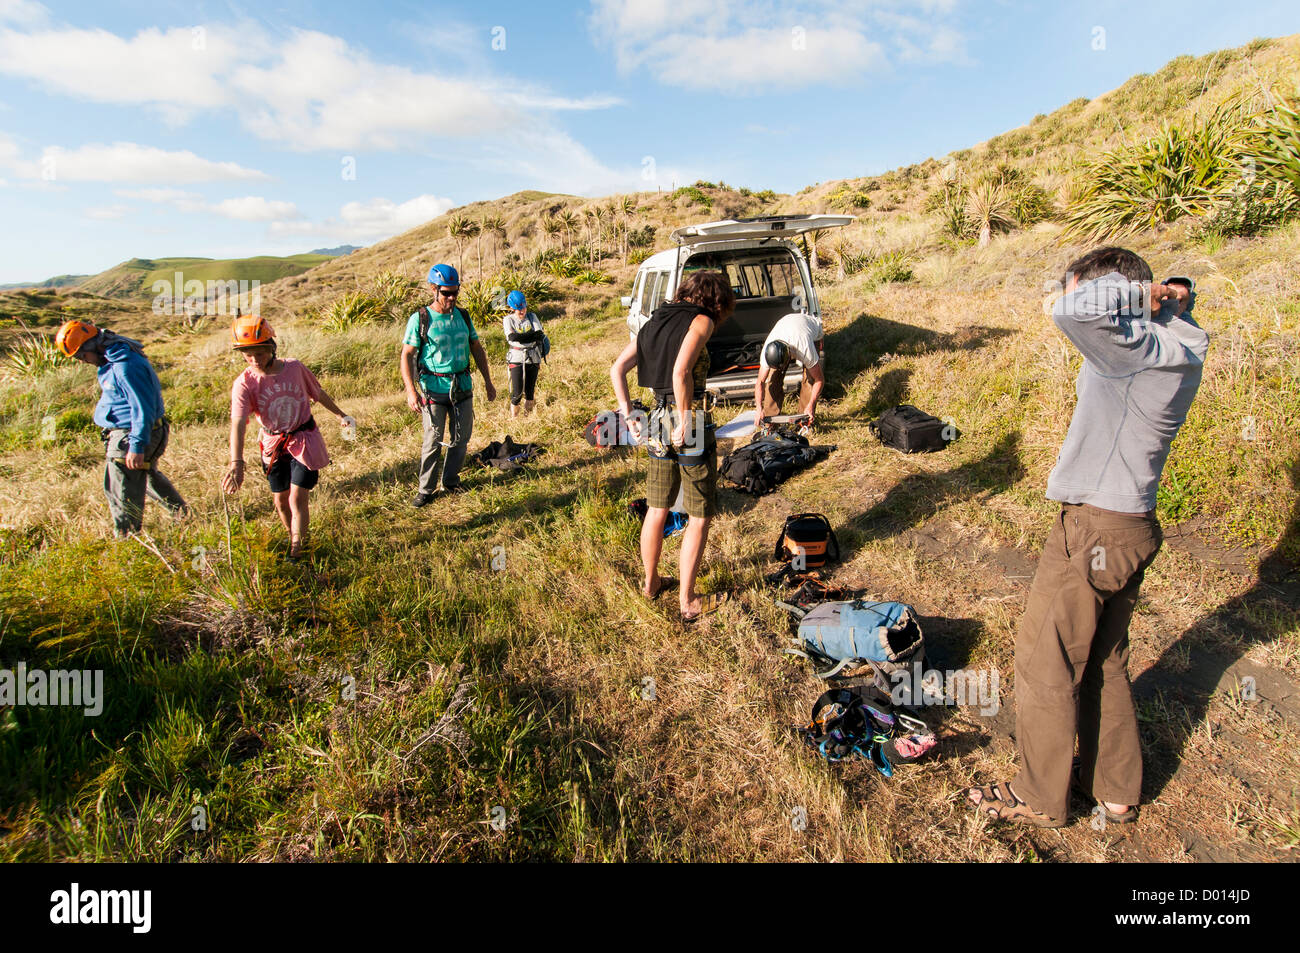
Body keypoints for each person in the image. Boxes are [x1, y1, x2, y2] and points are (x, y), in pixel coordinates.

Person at [968, 247, 1207, 827]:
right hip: (1129, 522)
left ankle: (1038, 795)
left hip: (1096, 525)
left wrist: (1137, 294)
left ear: (1120, 295)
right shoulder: (1180, 342)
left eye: (1084, 289)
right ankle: (1117, 790)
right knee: (1103, 658)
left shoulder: (1135, 349)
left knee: (1044, 659)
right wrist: (1172, 295)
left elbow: (1072, 312)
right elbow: (1164, 308)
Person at [610, 271, 737, 623]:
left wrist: (629, 414)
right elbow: (681, 373)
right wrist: (685, 419)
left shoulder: (657, 319)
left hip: (655, 421)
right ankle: (687, 600)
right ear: (716, 300)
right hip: (689, 422)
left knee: (657, 507)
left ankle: (650, 585)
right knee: (699, 515)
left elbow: (617, 368)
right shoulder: (702, 320)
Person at [220, 315, 353, 562]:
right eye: (247, 354)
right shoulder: (244, 384)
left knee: (296, 497)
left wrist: (340, 414)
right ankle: (297, 536)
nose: (254, 360)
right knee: (281, 502)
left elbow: (317, 392)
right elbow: (238, 423)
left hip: (304, 439)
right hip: (273, 447)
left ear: (271, 347)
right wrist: (236, 463)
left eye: (258, 352)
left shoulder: (294, 368)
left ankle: (297, 551)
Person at [55, 319, 188, 537]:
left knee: (120, 490)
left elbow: (142, 408)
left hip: (131, 435)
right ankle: (181, 514)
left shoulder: (125, 365)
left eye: (81, 356)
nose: (81, 361)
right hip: (132, 433)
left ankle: (128, 541)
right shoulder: (113, 360)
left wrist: (136, 445)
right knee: (146, 477)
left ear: (93, 347)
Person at [400, 264, 497, 507]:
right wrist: (411, 391)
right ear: (433, 290)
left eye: (455, 292)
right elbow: (407, 355)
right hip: (433, 389)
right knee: (432, 441)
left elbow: (476, 347)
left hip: (462, 386)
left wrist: (488, 381)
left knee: (461, 438)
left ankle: (451, 481)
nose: (452, 297)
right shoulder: (420, 318)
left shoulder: (463, 316)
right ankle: (426, 490)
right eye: (446, 293)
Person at [753, 312, 825, 432]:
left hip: (810, 332)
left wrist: (812, 404)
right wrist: (759, 408)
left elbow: (820, 380)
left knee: (810, 379)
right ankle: (770, 421)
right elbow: (760, 382)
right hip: (787, 326)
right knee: (772, 378)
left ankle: (804, 420)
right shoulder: (767, 351)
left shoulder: (804, 348)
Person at [502, 290, 545, 418]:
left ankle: (527, 418)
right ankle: (514, 419)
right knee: (517, 393)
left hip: (533, 358)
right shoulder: (508, 319)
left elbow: (539, 335)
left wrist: (521, 337)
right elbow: (512, 337)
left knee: (530, 392)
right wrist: (530, 336)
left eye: (524, 308)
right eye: (518, 309)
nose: (522, 311)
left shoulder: (532, 317)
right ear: (512, 308)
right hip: (516, 358)